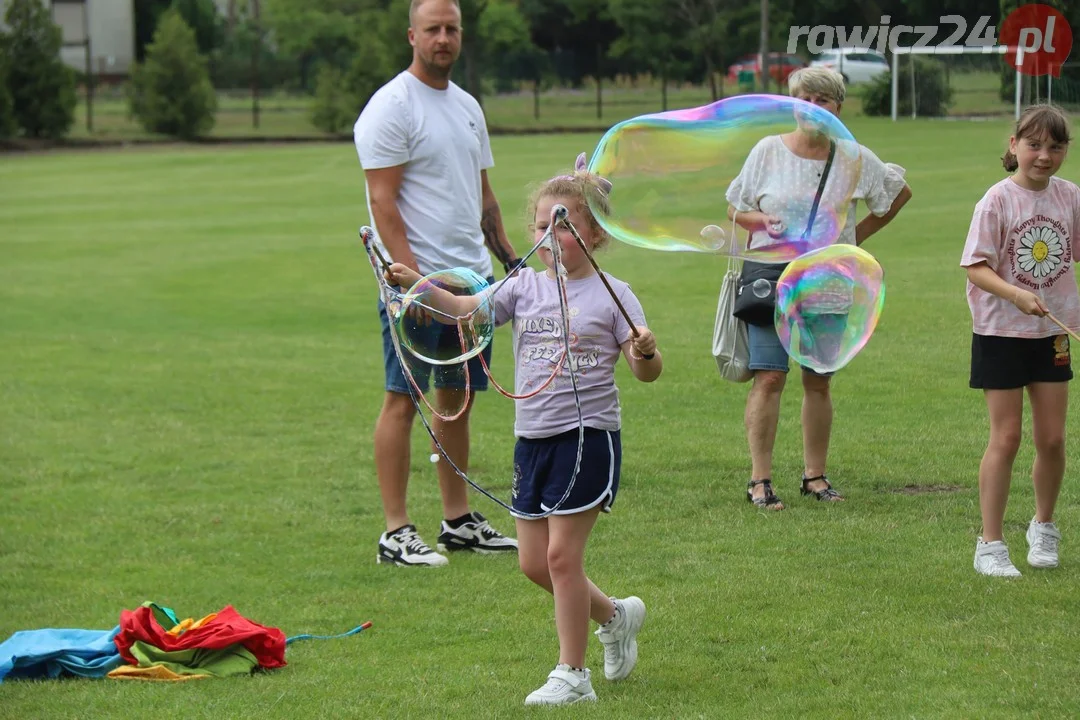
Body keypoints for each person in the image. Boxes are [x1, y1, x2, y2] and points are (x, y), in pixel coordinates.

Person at [386, 163, 662, 705]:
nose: (547, 236)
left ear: (595, 235)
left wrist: (646, 351)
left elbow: (644, 369)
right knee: (534, 563)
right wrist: (418, 286)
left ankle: (572, 675)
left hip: (586, 437)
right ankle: (614, 616)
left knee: (562, 558)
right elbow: (467, 309)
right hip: (530, 438)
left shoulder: (614, 295)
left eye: (562, 226)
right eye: (540, 226)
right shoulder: (524, 285)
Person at [353, 0, 522, 566]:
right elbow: (383, 202)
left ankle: (457, 521)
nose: (444, 38)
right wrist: (415, 285)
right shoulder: (392, 106)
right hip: (416, 287)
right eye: (433, 29)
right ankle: (395, 531)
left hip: (471, 281)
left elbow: (482, 195)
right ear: (412, 35)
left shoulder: (468, 106)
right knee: (403, 401)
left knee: (459, 400)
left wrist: (508, 261)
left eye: (451, 28)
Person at [726, 66, 912, 510]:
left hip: (828, 281)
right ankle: (759, 480)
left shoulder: (854, 156)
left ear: (838, 108)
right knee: (769, 377)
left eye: (823, 101)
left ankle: (815, 476)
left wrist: (852, 242)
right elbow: (736, 208)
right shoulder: (768, 151)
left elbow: (897, 194)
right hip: (771, 279)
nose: (813, 108)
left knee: (819, 380)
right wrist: (759, 221)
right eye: (804, 99)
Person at [961, 104, 1079, 577]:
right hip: (1000, 332)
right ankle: (990, 544)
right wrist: (1016, 294)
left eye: (1055, 147)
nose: (1044, 156)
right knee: (1006, 437)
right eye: (1034, 145)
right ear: (1014, 146)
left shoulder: (1070, 197)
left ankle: (1043, 527)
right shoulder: (996, 201)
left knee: (1052, 438)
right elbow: (974, 266)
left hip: (1052, 332)